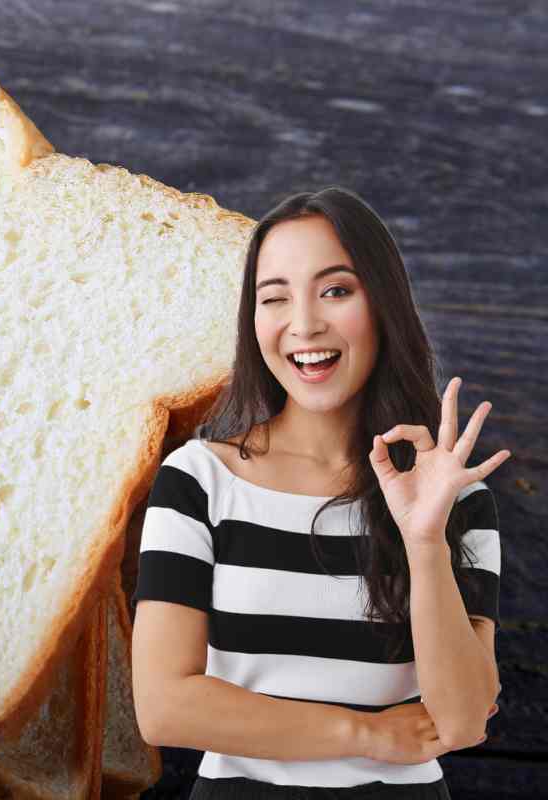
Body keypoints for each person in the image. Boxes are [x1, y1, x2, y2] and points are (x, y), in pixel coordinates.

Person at [129, 187, 506, 799]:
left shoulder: (457, 497)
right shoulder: (198, 479)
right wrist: (365, 735)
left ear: (383, 305)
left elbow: (462, 720)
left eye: (336, 290)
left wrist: (423, 538)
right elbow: (165, 707)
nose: (303, 324)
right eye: (274, 298)